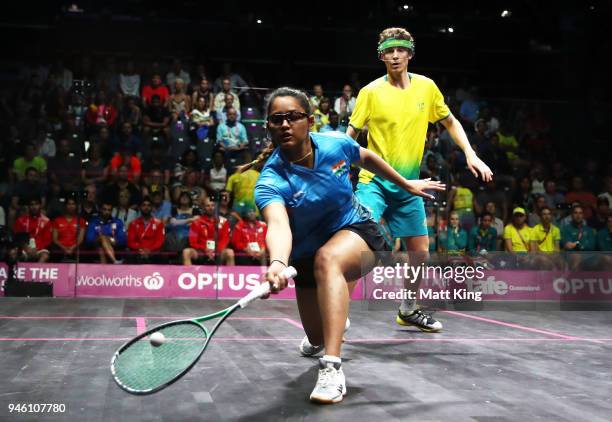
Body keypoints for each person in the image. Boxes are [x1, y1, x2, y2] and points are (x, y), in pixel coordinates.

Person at [251, 87, 444, 404]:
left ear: (309, 121)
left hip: (358, 232)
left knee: (329, 260)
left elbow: (365, 156)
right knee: (316, 337)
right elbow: (278, 225)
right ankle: (334, 319)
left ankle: (332, 368)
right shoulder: (271, 180)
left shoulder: (335, 143)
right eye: (277, 119)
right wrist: (277, 263)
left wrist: (407, 184)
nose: (285, 124)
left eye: (294, 117)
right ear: (268, 126)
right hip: (303, 256)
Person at [346, 27, 492, 332]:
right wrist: (336, 167)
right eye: (389, 51)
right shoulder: (370, 92)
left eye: (400, 50)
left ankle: (409, 309)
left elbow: (450, 122)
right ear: (381, 56)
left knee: (420, 251)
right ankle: (338, 314)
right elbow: (351, 136)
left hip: (409, 183)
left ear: (410, 54)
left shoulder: (427, 87)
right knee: (358, 246)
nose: (395, 55)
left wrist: (470, 153)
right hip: (374, 181)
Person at [182, 196, 234, 265]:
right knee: (186, 252)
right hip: (201, 252)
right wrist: (205, 249)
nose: (210, 208)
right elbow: (192, 241)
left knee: (229, 252)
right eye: (207, 206)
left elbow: (225, 240)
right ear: (203, 207)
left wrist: (215, 250)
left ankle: (231, 274)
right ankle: (188, 274)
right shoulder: (196, 222)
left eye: (212, 205)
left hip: (218, 252)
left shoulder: (224, 221)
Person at [13, 197, 52, 262]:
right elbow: (17, 238)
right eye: (32, 204)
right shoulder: (20, 220)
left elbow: (47, 240)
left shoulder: (46, 221)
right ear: (29, 206)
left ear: (40, 206)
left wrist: (36, 249)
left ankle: (37, 271)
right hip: (24, 249)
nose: (34, 207)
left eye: (36, 204)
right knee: (14, 254)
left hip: (39, 249)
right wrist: (26, 248)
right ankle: (17, 271)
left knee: (45, 256)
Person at [127, 197, 165, 263]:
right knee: (129, 256)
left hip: (153, 253)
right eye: (143, 205)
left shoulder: (159, 223)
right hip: (138, 252)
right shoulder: (133, 224)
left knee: (162, 257)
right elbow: (130, 241)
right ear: (140, 208)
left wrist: (150, 250)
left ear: (152, 208)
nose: (146, 207)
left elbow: (160, 241)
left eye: (148, 205)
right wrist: (141, 249)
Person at [51, 197, 86, 262]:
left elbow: (80, 239)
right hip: (60, 249)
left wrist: (72, 248)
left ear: (76, 206)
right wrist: (64, 248)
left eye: (73, 204)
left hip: (75, 248)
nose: (71, 206)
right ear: (65, 206)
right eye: (69, 204)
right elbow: (55, 239)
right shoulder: (57, 220)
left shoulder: (81, 221)